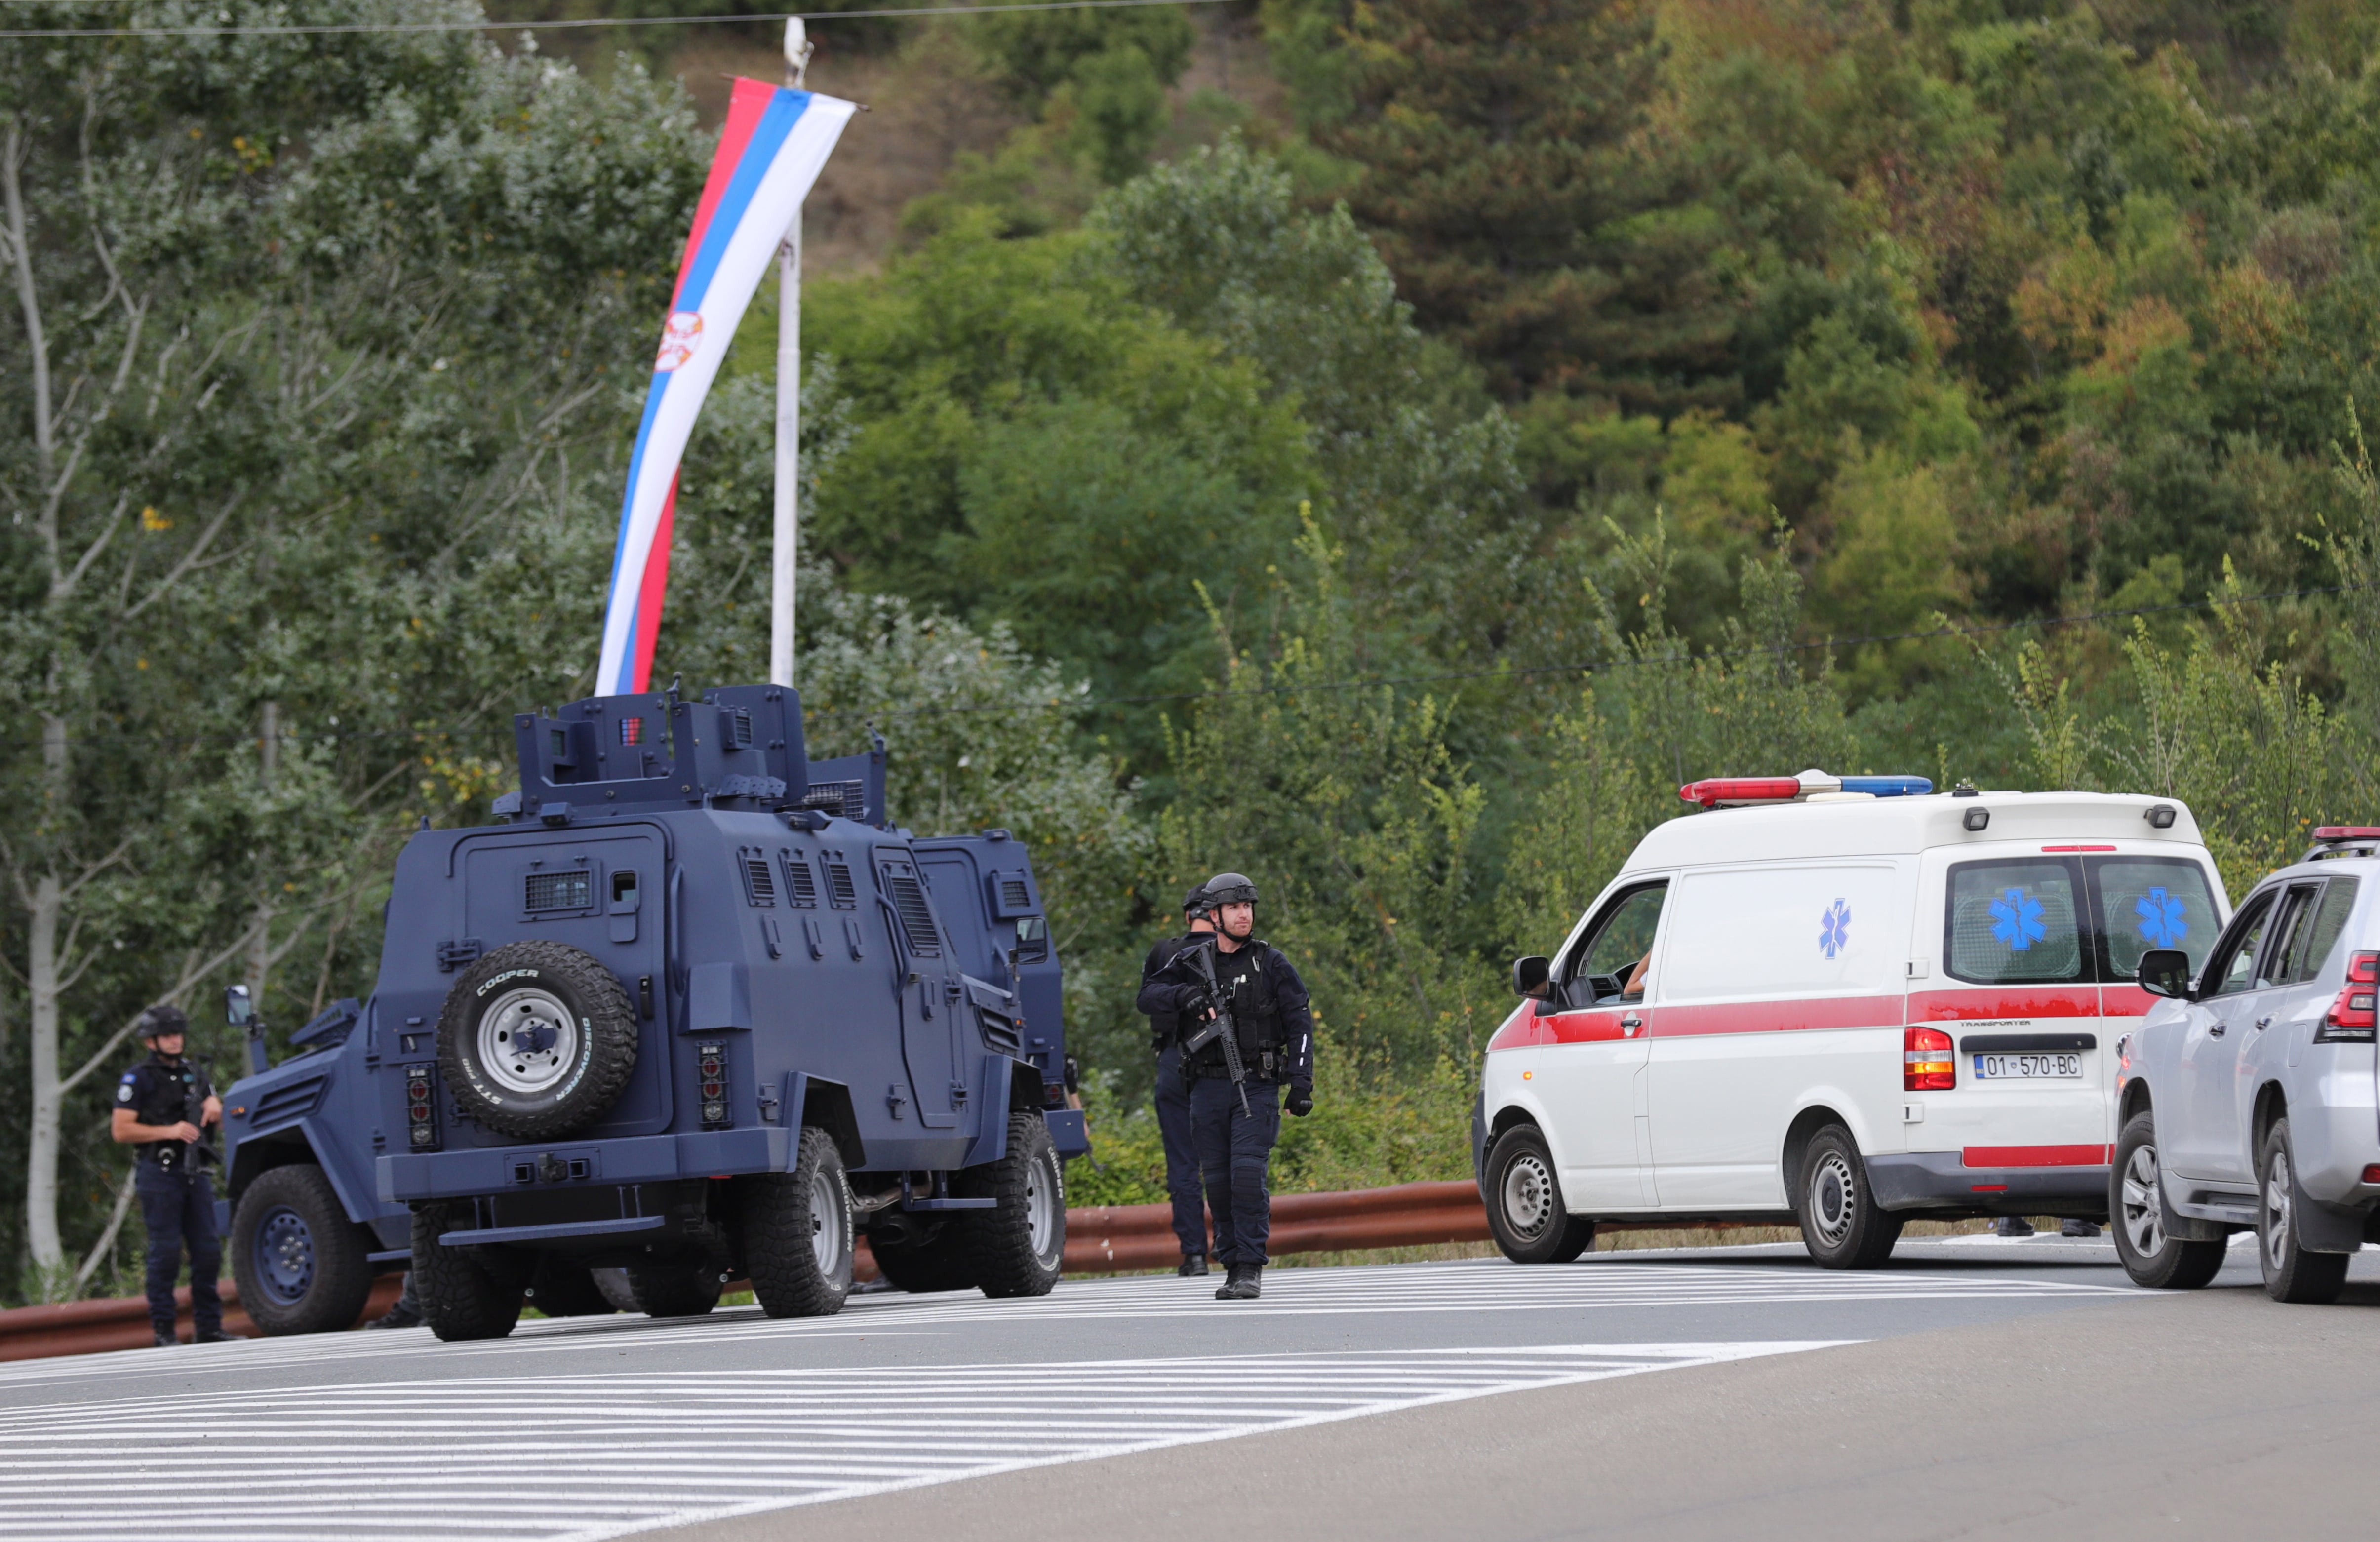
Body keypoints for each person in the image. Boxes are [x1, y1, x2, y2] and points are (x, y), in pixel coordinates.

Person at [1137, 873, 1314, 1301]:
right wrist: (1186, 997)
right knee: (1217, 1181)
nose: (1244, 914)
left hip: (1255, 1086)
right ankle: (1232, 1264)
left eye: (1248, 906)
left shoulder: (1271, 963)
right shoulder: (1193, 960)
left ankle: (1251, 1265)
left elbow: (1300, 1021)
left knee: (1248, 1176)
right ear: (1214, 915)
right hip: (1206, 1089)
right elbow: (1147, 995)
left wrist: (1301, 1082)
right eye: (1235, 907)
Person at [112, 1005, 239, 1346]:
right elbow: (121, 1130)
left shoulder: (195, 1072)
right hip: (160, 1172)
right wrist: (168, 1131)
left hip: (196, 1171)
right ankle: (165, 1330)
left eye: (178, 1034)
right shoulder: (138, 1077)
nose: (175, 1041)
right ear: (152, 1040)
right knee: (166, 1251)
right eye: (168, 1035)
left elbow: (219, 1117)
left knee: (208, 1250)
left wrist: (216, 1106)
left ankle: (209, 1326)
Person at [1140, 888, 1218, 1276]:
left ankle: (1194, 1255)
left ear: (1189, 916)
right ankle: (1231, 1242)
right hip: (1220, 1062)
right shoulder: (1236, 953)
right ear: (1217, 914)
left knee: (1183, 1162)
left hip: (1173, 1061)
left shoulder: (1162, 952)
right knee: (1230, 1155)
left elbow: (1147, 1000)